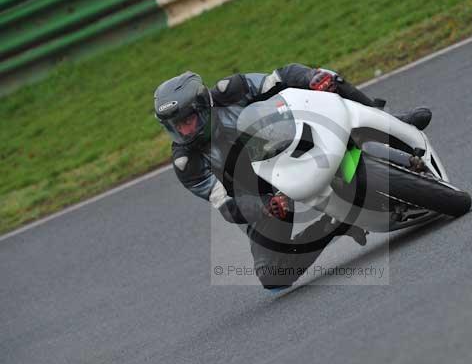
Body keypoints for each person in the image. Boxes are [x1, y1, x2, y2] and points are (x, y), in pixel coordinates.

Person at [153, 63, 431, 290]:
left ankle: (390, 121)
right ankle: (335, 222)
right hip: (265, 198)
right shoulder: (187, 163)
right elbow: (226, 204)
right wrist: (263, 207)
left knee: (327, 78)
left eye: (187, 121)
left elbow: (282, 77)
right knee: (272, 277)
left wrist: (311, 78)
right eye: (175, 126)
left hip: (289, 144)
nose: (184, 131)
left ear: (202, 105)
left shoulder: (232, 90)